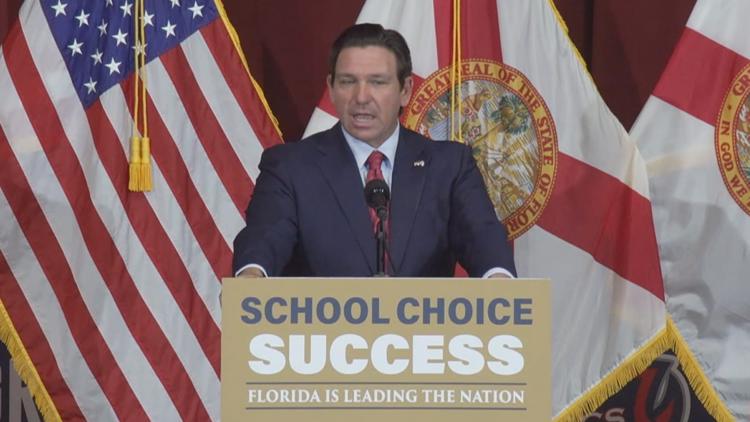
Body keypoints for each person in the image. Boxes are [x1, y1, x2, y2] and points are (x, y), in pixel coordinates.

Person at [232, 23, 515, 278]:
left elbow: (481, 236)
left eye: (378, 82)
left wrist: (498, 279)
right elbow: (265, 236)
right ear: (331, 89)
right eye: (348, 82)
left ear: (405, 90)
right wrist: (251, 275)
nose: (361, 97)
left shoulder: (450, 165)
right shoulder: (290, 167)